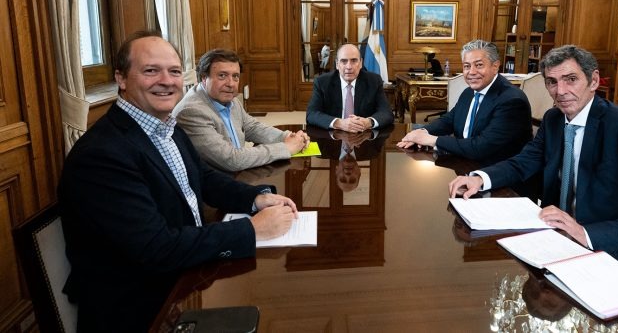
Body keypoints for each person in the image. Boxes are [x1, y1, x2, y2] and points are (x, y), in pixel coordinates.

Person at [59, 31, 299, 332]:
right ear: (121, 78)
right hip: (142, 302)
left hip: (185, 268)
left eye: (173, 71)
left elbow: (204, 178)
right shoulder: (102, 155)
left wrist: (255, 198)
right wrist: (251, 229)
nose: (167, 80)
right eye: (151, 71)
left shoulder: (165, 125)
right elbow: (156, 248)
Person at [449, 45, 618, 313]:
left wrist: (584, 233)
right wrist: (482, 178)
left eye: (571, 79)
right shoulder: (554, 119)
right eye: (552, 82)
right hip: (561, 250)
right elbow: (526, 160)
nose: (560, 91)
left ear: (594, 81)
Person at [397, 39, 533, 165]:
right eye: (467, 66)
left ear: (495, 66)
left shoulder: (512, 101)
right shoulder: (469, 92)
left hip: (497, 174)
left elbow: (481, 147)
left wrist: (433, 140)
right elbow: (449, 120)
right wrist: (422, 132)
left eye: (479, 65)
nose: (471, 72)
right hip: (465, 163)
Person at [173, 49, 310, 172]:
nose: (231, 83)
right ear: (204, 78)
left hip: (237, 177)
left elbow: (252, 127)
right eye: (222, 75)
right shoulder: (191, 111)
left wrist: (288, 137)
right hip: (213, 189)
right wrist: (285, 148)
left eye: (235, 76)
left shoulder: (231, 100)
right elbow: (232, 160)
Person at [306, 43, 394, 132]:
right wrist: (340, 123)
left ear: (360, 63)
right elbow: (311, 114)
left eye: (354, 61)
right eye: (344, 61)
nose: (349, 67)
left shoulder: (374, 81)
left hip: (364, 136)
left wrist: (368, 122)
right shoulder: (322, 82)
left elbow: (386, 113)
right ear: (337, 64)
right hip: (333, 137)